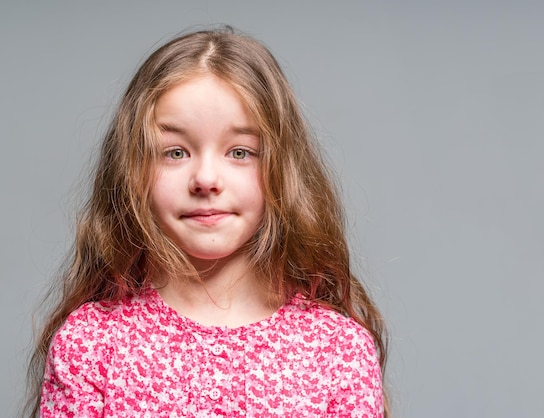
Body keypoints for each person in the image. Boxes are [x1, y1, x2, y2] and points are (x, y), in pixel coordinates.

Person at [25, 27, 388, 417]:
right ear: (131, 170)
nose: (206, 180)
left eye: (240, 152)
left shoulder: (338, 352)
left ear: (283, 168)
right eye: (175, 152)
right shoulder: (91, 346)